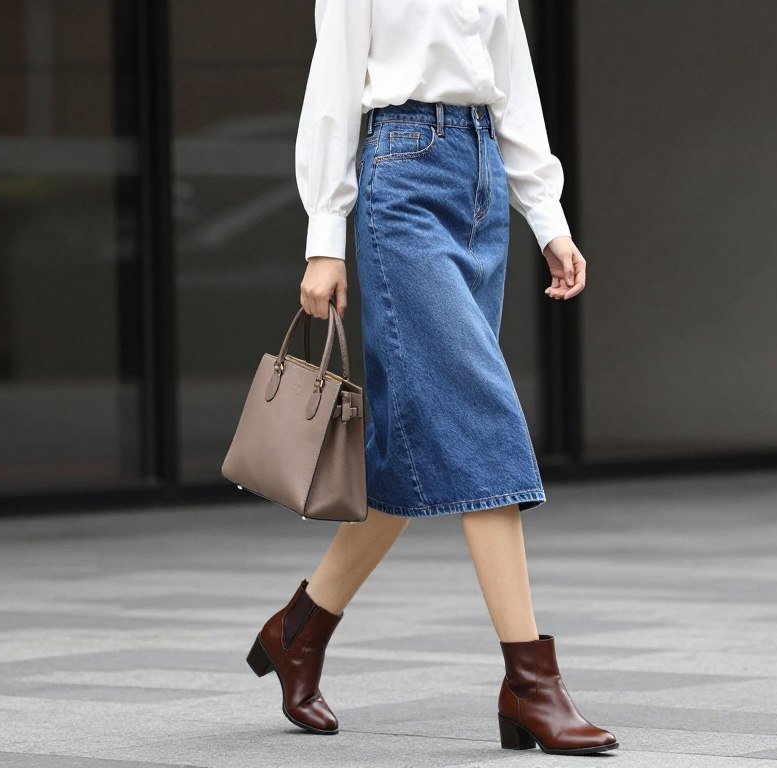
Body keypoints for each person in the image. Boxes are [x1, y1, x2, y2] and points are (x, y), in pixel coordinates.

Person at [245, 0, 616, 756]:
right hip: (402, 181)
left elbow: (512, 86)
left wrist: (548, 217)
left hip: (479, 184)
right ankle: (530, 683)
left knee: (414, 448)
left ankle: (298, 632)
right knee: (481, 418)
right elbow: (333, 86)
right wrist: (326, 238)